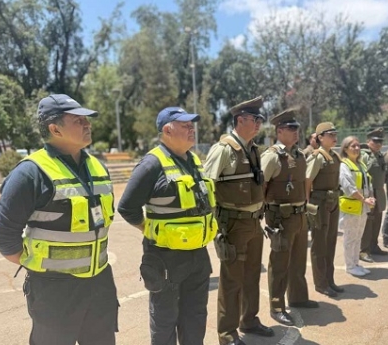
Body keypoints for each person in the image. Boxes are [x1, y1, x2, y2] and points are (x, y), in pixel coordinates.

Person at [0, 94, 119, 345]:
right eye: (78, 120)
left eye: (86, 120)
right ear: (54, 128)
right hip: (54, 290)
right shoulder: (30, 173)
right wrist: (40, 266)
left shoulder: (98, 167)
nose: (87, 124)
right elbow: (3, 236)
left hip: (100, 284)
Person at [117, 107, 216, 345]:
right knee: (164, 321)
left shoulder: (192, 160)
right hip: (164, 257)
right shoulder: (151, 164)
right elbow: (127, 207)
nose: (192, 129)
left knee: (195, 317)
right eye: (185, 125)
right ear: (167, 130)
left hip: (197, 255)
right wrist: (149, 229)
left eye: (192, 125)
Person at [204, 96, 273, 345]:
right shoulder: (222, 149)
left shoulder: (253, 149)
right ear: (240, 120)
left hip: (254, 223)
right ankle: (227, 333)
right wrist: (215, 228)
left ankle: (249, 320)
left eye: (260, 120)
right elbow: (205, 187)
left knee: (252, 275)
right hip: (233, 225)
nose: (258, 124)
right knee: (232, 280)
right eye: (255, 119)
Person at [261, 108, 319, 327]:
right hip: (280, 217)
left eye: (297, 128)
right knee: (279, 263)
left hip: (299, 214)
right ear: (279, 131)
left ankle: (298, 297)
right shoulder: (272, 156)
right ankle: (277, 306)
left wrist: (304, 204)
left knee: (297, 261)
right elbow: (262, 186)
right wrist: (267, 214)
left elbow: (303, 182)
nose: (296, 132)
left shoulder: (299, 155)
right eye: (291, 128)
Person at [305, 122, 343, 297]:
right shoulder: (317, 157)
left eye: (335, 134)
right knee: (320, 244)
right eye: (330, 134)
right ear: (320, 137)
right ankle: (320, 283)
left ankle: (329, 279)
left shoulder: (334, 156)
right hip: (320, 204)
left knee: (331, 242)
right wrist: (307, 205)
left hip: (333, 202)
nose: (334, 137)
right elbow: (307, 182)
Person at [338, 136, 376, 277]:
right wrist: (364, 199)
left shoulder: (362, 165)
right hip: (351, 207)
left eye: (358, 146)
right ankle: (350, 266)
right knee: (350, 238)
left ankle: (356, 263)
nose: (356, 148)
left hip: (362, 207)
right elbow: (349, 187)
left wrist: (370, 197)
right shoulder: (344, 165)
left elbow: (368, 183)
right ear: (345, 149)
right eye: (352, 146)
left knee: (358, 237)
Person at [359, 128, 388, 262]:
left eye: (380, 141)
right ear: (368, 141)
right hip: (369, 192)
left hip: (379, 192)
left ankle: (374, 245)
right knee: (368, 222)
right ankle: (363, 250)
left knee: (377, 221)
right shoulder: (364, 155)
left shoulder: (380, 156)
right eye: (375, 141)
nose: (378, 144)